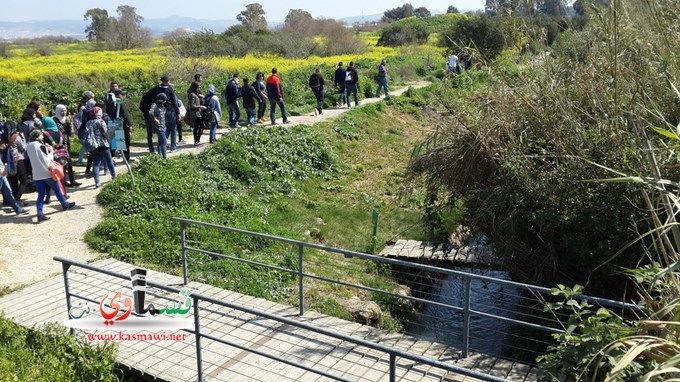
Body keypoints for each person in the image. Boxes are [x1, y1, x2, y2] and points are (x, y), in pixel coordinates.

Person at [26, 129, 76, 223]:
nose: (43, 136)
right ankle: (65, 204)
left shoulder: (28, 146)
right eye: (41, 135)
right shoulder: (41, 146)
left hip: (36, 174)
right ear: (37, 136)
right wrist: (51, 151)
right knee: (57, 190)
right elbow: (48, 161)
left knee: (41, 195)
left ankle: (40, 214)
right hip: (47, 173)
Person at [140, 75, 180, 153]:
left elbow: (148, 95)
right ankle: (173, 147)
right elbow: (174, 102)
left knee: (163, 128)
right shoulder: (170, 89)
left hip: (162, 110)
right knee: (173, 129)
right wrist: (178, 112)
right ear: (167, 81)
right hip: (170, 110)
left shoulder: (157, 88)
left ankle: (161, 146)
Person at [85, 107, 116, 188]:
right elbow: (107, 134)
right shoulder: (101, 122)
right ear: (99, 113)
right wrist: (113, 130)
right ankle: (114, 176)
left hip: (93, 146)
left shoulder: (89, 122)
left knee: (95, 164)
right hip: (102, 145)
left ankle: (97, 182)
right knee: (109, 161)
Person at [53, 104, 80, 187]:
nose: (64, 112)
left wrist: (69, 124)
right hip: (59, 143)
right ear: (58, 111)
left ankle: (72, 180)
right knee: (62, 162)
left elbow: (69, 133)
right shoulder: (55, 120)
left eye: (65, 110)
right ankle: (63, 181)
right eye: (62, 111)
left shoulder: (66, 120)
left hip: (66, 142)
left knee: (69, 161)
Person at [187, 81, 208, 146]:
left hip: (198, 113)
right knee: (201, 126)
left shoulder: (195, 94)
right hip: (195, 114)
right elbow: (192, 106)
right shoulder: (192, 95)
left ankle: (196, 141)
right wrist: (201, 107)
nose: (199, 88)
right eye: (198, 87)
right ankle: (197, 140)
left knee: (196, 127)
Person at [149, 93, 168, 159]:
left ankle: (159, 157)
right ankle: (164, 158)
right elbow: (150, 112)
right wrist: (154, 119)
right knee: (164, 142)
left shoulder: (162, 106)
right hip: (158, 127)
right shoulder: (154, 105)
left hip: (163, 126)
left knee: (160, 143)